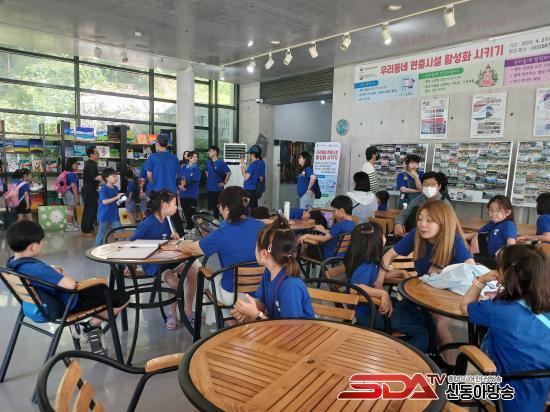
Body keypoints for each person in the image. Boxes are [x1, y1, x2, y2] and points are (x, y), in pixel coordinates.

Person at [6, 221, 129, 355]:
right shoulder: (37, 269)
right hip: (66, 304)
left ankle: (91, 328)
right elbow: (71, 285)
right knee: (120, 296)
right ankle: (89, 326)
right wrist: (62, 273)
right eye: (41, 242)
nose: (43, 244)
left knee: (101, 295)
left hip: (34, 307)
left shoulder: (12, 264)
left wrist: (52, 273)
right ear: (33, 247)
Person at [383, 200, 475, 364]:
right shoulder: (415, 235)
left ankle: (453, 370)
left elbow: (472, 270)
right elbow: (389, 255)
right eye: (420, 219)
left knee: (439, 324)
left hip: (451, 295)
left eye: (429, 220)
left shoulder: (455, 241)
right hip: (424, 292)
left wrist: (441, 272)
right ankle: (428, 359)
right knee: (421, 321)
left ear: (443, 222)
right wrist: (378, 282)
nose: (422, 224)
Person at [460, 244, 550, 412]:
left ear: (506, 274)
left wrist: (481, 280)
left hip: (508, 397)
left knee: (456, 385)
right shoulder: (545, 306)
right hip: (542, 394)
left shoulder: (498, 308)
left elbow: (465, 306)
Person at [173, 187, 265, 322]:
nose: (219, 209)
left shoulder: (221, 234)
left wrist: (178, 245)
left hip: (233, 294)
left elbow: (193, 249)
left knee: (212, 281)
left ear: (227, 209)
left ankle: (227, 322)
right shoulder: (262, 227)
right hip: (261, 292)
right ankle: (235, 321)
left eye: (220, 206)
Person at [346, 222, 428, 351]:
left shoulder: (369, 262)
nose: (385, 238)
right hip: (369, 314)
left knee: (418, 313)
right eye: (383, 235)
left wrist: (400, 272)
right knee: (421, 332)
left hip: (374, 308)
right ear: (374, 242)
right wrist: (382, 293)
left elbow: (376, 277)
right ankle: (404, 357)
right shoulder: (366, 266)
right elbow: (354, 289)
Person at [131, 190, 198, 329]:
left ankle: (187, 311)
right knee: (176, 284)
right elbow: (132, 244)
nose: (176, 207)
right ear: (164, 205)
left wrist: (174, 238)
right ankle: (172, 314)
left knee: (193, 274)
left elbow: (168, 240)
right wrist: (132, 265)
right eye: (174, 204)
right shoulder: (148, 223)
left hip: (169, 259)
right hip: (154, 263)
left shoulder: (168, 220)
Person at [232, 217, 315, 321]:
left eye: (256, 246)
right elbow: (262, 304)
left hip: (297, 331)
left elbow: (291, 329)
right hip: (276, 328)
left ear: (264, 253)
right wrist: (247, 309)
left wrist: (256, 315)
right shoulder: (268, 272)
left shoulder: (290, 286)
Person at [393, 171, 452, 237]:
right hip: (415, 235)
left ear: (439, 186)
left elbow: (450, 225)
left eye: (432, 184)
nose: (429, 187)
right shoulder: (417, 200)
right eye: (425, 184)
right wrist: (398, 224)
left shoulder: (445, 204)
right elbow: (404, 214)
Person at [464, 195, 516, 269]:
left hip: (497, 261)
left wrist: (501, 254)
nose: (493, 213)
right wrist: (461, 236)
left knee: (467, 260)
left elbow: (511, 245)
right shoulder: (492, 224)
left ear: (508, 212)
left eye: (498, 210)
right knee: (465, 256)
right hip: (487, 256)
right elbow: (478, 234)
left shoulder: (508, 225)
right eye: (491, 210)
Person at [95, 168, 122, 246]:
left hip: (114, 215)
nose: (116, 178)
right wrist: (117, 197)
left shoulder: (116, 188)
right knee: (101, 234)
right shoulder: (103, 189)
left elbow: (115, 201)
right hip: (104, 215)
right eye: (113, 176)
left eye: (116, 176)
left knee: (120, 233)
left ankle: (122, 248)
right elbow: (104, 202)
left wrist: (120, 200)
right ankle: (98, 249)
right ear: (106, 178)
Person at [81, 146, 102, 235]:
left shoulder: (92, 164)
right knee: (89, 210)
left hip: (91, 189)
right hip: (89, 190)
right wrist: (107, 179)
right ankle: (86, 230)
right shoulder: (90, 164)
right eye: (97, 153)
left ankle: (90, 228)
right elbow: (96, 177)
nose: (98, 154)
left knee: (92, 209)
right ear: (91, 154)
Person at [206, 145, 231, 220]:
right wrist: (210, 179)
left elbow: (228, 172)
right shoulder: (208, 162)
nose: (208, 152)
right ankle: (216, 219)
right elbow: (206, 171)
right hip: (210, 187)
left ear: (215, 152)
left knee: (220, 204)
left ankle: (226, 220)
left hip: (218, 188)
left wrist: (224, 182)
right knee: (213, 204)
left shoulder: (221, 162)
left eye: (210, 151)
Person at [178, 151, 201, 230]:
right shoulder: (183, 167)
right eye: (193, 157)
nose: (195, 158)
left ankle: (192, 228)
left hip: (192, 195)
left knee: (192, 212)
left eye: (196, 157)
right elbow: (178, 178)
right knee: (185, 212)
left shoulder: (197, 169)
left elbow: (195, 180)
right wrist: (179, 186)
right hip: (183, 194)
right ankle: (188, 227)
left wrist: (184, 186)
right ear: (188, 158)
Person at [240, 145, 263, 210]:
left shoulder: (253, 165)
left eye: (250, 154)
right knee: (254, 208)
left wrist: (241, 163)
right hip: (255, 190)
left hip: (248, 190)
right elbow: (261, 177)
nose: (249, 155)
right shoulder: (261, 163)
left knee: (246, 209)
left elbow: (246, 177)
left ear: (253, 154)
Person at [63, 158, 80, 231]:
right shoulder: (72, 174)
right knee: (70, 210)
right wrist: (77, 198)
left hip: (67, 193)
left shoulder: (67, 173)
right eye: (75, 164)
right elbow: (74, 187)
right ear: (71, 165)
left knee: (71, 210)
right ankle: (69, 226)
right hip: (71, 193)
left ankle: (72, 224)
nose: (77, 165)